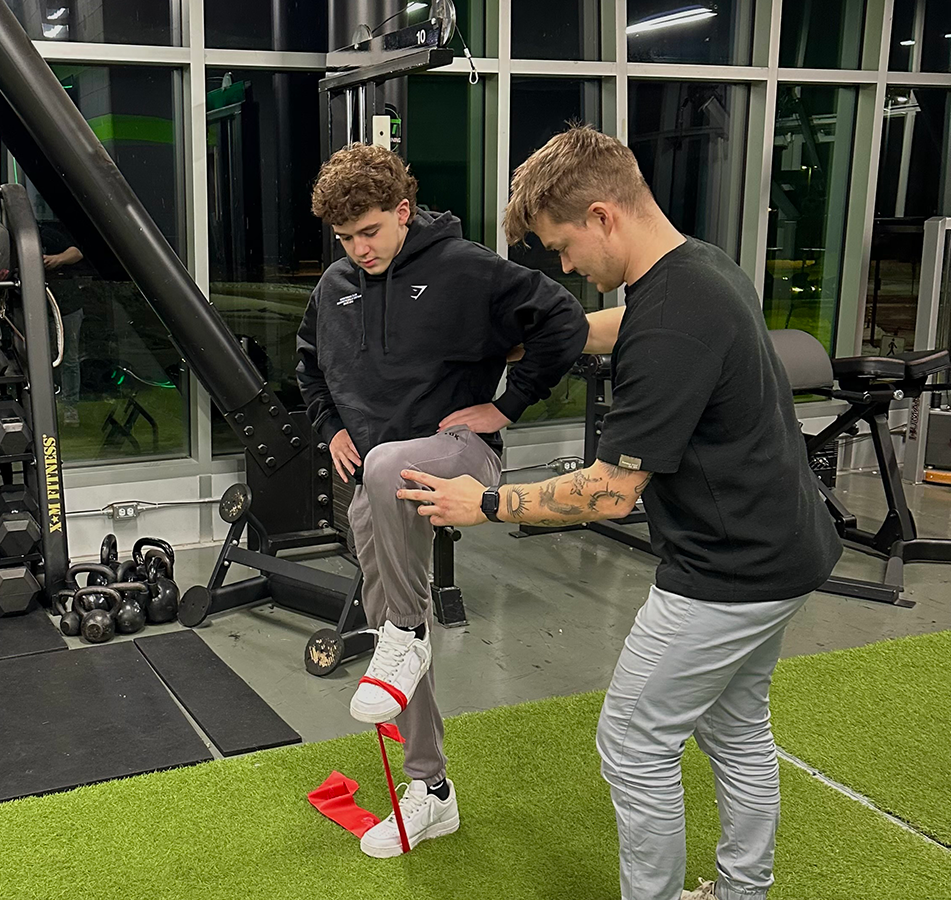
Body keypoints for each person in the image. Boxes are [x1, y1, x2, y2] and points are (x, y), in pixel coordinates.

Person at [395, 125, 843, 900]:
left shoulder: (671, 313)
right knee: (737, 733)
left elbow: (609, 492)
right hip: (787, 549)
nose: (566, 267)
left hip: (728, 571)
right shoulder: (699, 269)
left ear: (602, 216)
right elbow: (610, 328)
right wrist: (508, 351)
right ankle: (743, 893)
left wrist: (487, 503)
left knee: (634, 742)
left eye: (563, 247)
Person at [296, 143, 589, 858]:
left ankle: (406, 635)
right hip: (378, 479)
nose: (360, 250)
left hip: (460, 455)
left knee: (399, 621)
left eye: (370, 231)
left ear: (402, 212)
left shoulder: (465, 268)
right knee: (393, 625)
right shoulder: (334, 286)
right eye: (346, 239)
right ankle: (430, 789)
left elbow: (564, 321)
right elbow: (307, 363)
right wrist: (330, 427)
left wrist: (508, 406)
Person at [39, 220, 90, 427]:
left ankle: (70, 407)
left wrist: (57, 259)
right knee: (39, 360)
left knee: (69, 358)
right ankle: (42, 406)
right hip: (35, 308)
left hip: (67, 305)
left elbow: (76, 253)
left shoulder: (45, 232)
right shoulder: (9, 239)